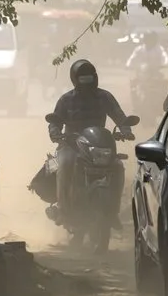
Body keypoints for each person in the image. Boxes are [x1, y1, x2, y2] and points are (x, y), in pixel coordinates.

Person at [48, 59, 135, 230]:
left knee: (117, 166)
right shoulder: (66, 100)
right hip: (71, 144)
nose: (87, 83)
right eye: (83, 79)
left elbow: (119, 115)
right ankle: (63, 209)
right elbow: (55, 120)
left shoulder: (105, 97)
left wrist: (125, 129)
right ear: (75, 79)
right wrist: (55, 133)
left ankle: (113, 212)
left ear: (95, 78)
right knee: (64, 164)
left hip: (98, 145)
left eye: (89, 78)